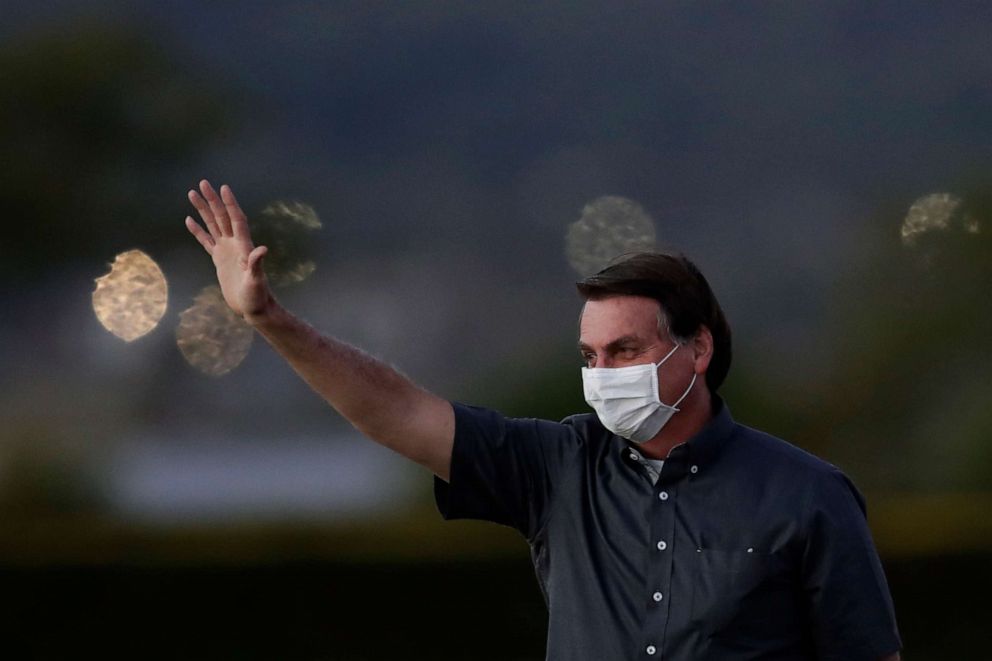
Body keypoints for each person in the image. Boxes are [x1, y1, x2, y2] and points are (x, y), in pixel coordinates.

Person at [185, 180, 902, 660]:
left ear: (699, 347)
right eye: (591, 354)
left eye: (626, 349)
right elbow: (397, 410)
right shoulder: (558, 466)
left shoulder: (808, 494)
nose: (604, 372)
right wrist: (268, 319)